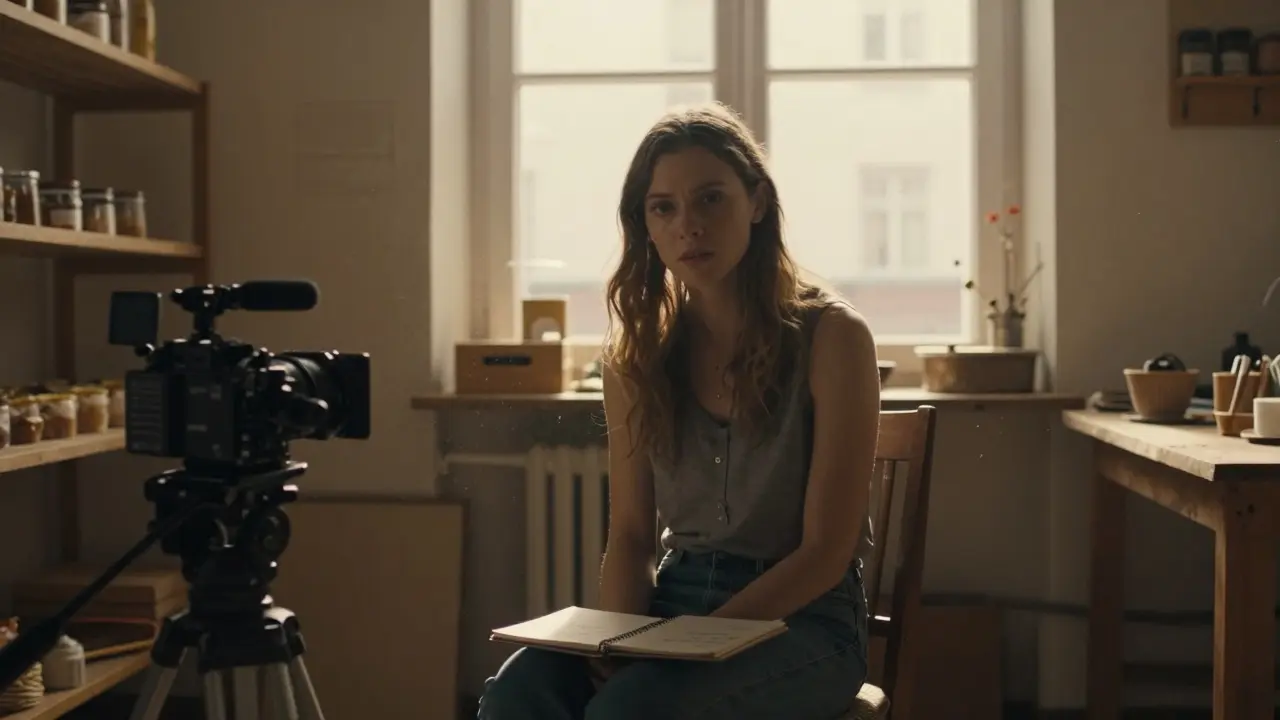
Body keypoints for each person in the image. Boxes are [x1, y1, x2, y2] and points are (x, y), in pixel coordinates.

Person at [478, 102, 881, 720]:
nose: (688, 225)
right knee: (517, 693)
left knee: (629, 711)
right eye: (663, 207)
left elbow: (826, 552)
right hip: (675, 604)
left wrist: (694, 647)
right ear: (646, 225)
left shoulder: (833, 337)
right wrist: (615, 638)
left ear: (758, 203)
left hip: (806, 619)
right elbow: (634, 534)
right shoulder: (637, 355)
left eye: (711, 199)